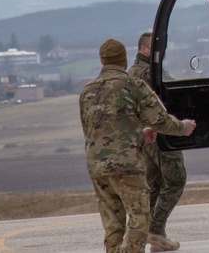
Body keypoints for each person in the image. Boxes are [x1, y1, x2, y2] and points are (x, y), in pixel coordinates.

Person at [80, 38, 196, 253]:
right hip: (126, 166)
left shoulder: (88, 90)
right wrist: (182, 127)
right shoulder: (133, 84)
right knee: (139, 219)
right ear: (123, 59)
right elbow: (159, 119)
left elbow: (97, 129)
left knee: (113, 224)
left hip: (97, 167)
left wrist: (139, 135)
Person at [128, 31, 187, 252]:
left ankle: (142, 237)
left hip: (146, 136)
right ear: (144, 49)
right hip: (159, 133)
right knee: (175, 179)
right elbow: (170, 94)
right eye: (155, 47)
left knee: (154, 186)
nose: (160, 51)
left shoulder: (135, 71)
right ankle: (156, 232)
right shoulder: (148, 71)